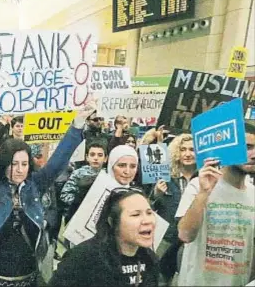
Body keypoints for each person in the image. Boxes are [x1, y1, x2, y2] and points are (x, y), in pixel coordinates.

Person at [0, 96, 94, 287]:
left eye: (24, 164)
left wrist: (79, 121)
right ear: (3, 164)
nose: (19, 169)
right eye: (13, 164)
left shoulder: (35, 185)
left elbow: (59, 160)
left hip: (28, 276)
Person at [176, 121, 255, 286]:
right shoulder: (198, 185)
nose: (253, 154)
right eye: (247, 147)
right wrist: (204, 193)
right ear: (228, 149)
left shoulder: (253, 193)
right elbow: (185, 235)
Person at [50, 187, 159, 286]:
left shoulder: (150, 259)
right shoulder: (83, 258)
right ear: (112, 221)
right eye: (136, 215)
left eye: (149, 213)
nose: (147, 221)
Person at [148, 133, 197, 284]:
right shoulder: (164, 176)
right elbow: (147, 207)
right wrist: (156, 194)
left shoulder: (205, 178)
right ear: (176, 153)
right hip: (167, 239)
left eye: (191, 149)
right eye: (183, 149)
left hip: (193, 240)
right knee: (159, 278)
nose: (187, 154)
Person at [59, 142, 108, 223]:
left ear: (105, 158)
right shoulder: (78, 173)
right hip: (79, 216)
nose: (96, 158)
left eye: (100, 155)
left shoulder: (108, 176)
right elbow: (65, 194)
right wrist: (80, 203)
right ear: (87, 157)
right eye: (92, 155)